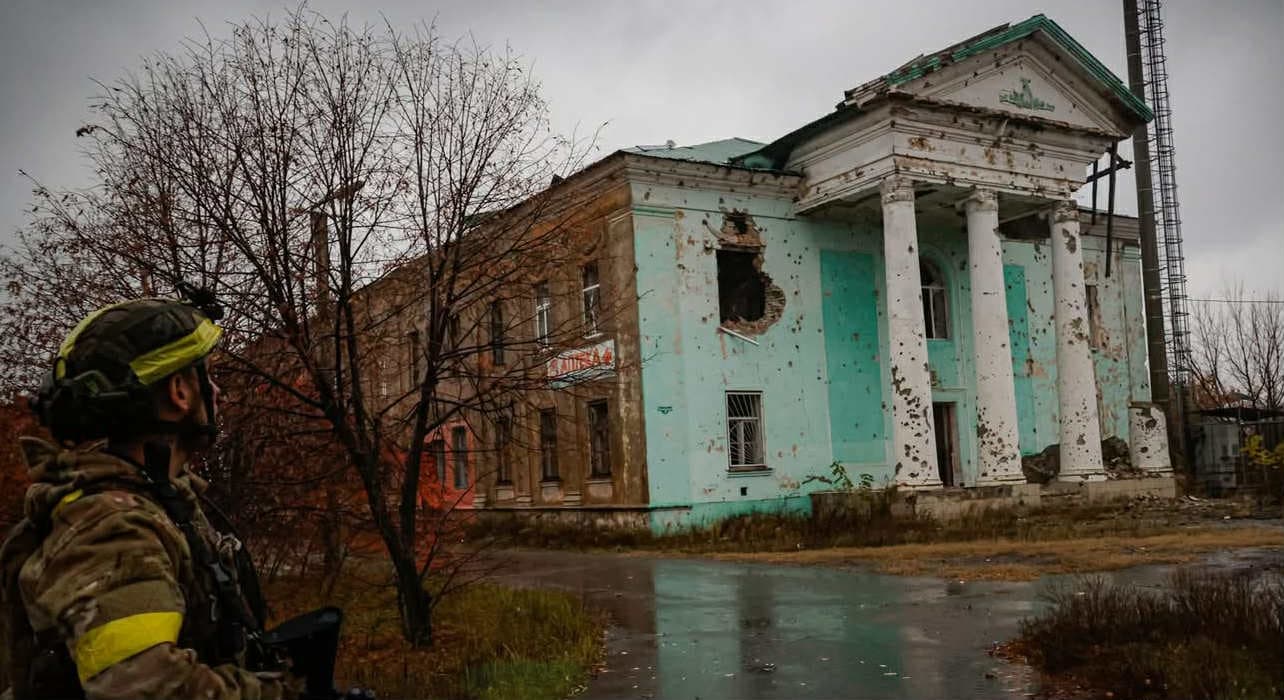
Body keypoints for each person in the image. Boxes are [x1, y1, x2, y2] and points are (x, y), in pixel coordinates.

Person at [0, 295, 301, 700]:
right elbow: (144, 688)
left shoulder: (158, 500)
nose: (218, 392)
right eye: (208, 377)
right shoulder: (109, 524)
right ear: (179, 391)